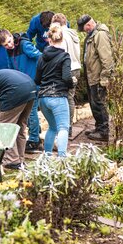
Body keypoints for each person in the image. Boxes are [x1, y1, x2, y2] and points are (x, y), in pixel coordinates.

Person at [35, 23, 73, 157]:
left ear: (49, 40)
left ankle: (47, 157)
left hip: (43, 98)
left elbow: (37, 79)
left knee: (52, 128)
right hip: (58, 96)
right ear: (62, 39)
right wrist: (71, 84)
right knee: (63, 128)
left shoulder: (41, 57)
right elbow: (67, 77)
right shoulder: (65, 56)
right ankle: (62, 159)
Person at [77, 14, 114, 142]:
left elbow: (106, 58)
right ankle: (99, 128)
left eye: (84, 28)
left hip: (98, 76)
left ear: (89, 25)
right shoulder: (92, 34)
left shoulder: (100, 35)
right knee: (94, 103)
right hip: (92, 75)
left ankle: (104, 132)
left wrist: (105, 77)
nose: (84, 31)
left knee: (99, 103)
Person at [6, 31, 43, 153]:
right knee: (30, 112)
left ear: (12, 37)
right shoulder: (9, 51)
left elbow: (40, 57)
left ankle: (34, 140)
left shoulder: (24, 45)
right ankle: (36, 133)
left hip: (33, 82)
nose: (9, 46)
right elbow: (11, 69)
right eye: (5, 45)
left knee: (31, 112)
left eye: (9, 42)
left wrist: (38, 74)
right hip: (22, 85)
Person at [50, 13, 81, 136]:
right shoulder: (74, 34)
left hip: (66, 68)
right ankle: (68, 127)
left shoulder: (61, 34)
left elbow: (61, 53)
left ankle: (64, 128)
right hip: (76, 67)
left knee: (64, 98)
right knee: (70, 97)